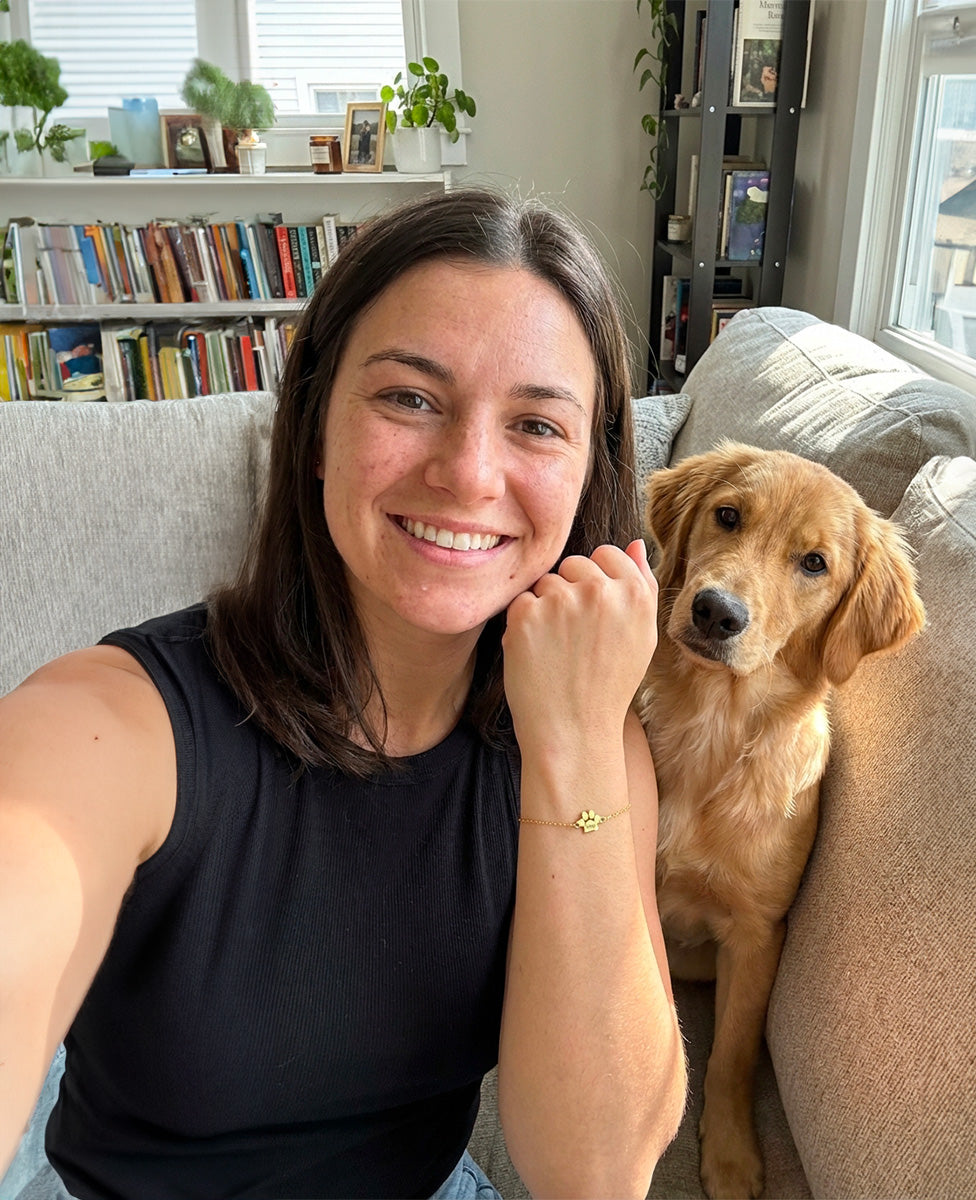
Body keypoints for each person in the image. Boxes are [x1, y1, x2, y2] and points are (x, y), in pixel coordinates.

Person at [0, 188, 687, 1199]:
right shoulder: (118, 725)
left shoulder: (583, 739)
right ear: (315, 422)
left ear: (590, 475)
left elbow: (596, 1174)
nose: (468, 473)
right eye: (410, 398)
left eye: (538, 424)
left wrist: (578, 743)